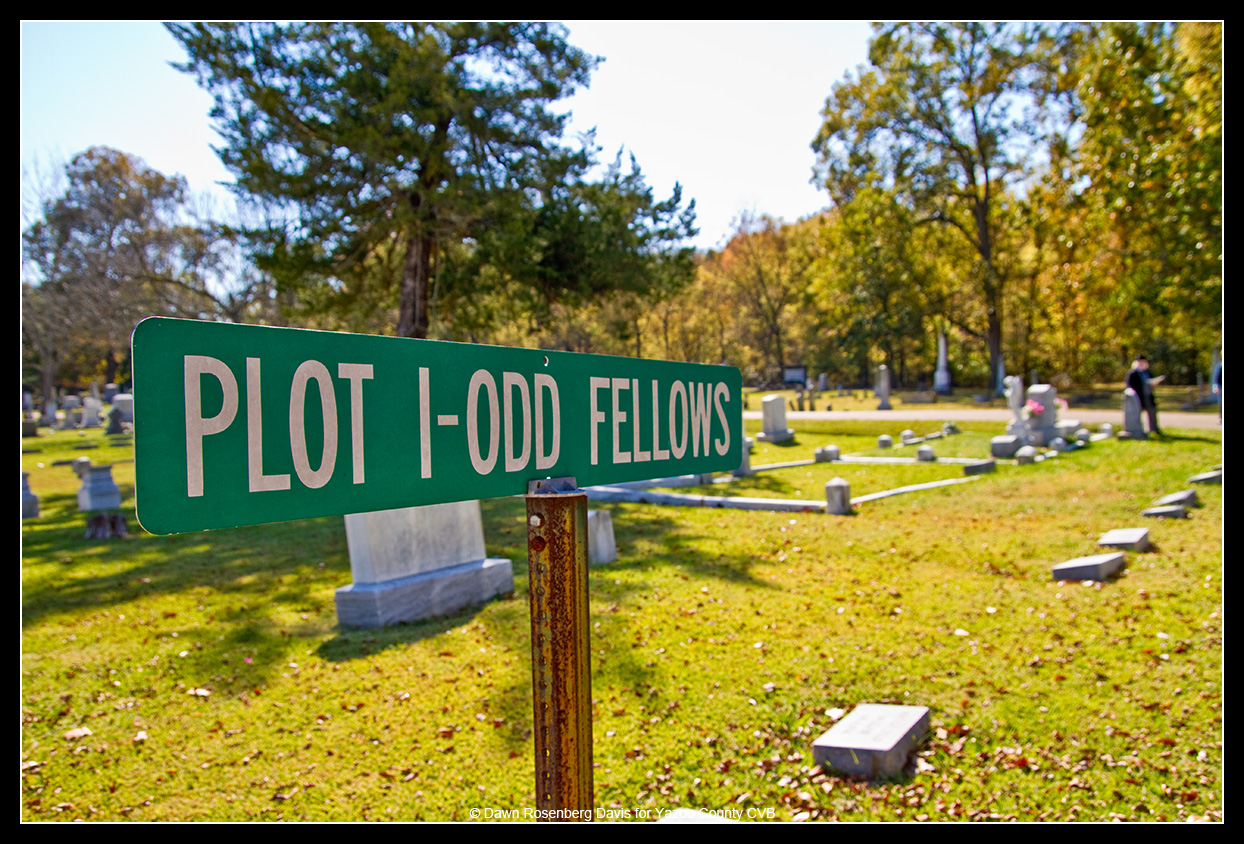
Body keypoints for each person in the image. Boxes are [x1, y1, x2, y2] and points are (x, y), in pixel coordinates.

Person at [1126, 356, 1164, 436]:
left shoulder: (1147, 372)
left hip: (1148, 396)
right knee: (1137, 415)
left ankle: (1154, 429)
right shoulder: (1133, 373)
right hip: (1138, 398)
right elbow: (1129, 385)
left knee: (1152, 413)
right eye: (1141, 362)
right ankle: (1139, 430)